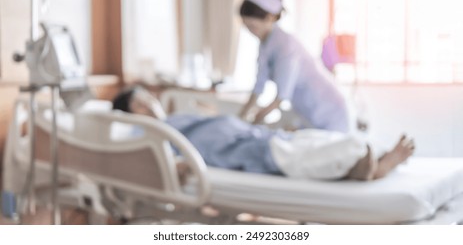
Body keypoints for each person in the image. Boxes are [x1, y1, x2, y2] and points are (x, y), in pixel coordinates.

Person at [112, 86, 415, 181]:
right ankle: (360, 165)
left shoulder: (179, 116)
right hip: (240, 151)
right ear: (129, 114)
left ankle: (375, 152)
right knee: (295, 157)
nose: (147, 104)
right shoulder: (145, 132)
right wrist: (178, 166)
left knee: (311, 139)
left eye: (146, 97)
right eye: (137, 104)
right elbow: (157, 158)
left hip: (260, 135)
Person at [238, 0, 350, 133]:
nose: (251, 32)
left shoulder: (286, 45)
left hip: (330, 111)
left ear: (270, 18)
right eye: (247, 27)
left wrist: (251, 123)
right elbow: (258, 86)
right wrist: (240, 118)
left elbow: (281, 97)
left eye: (253, 27)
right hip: (308, 112)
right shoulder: (265, 45)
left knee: (336, 151)